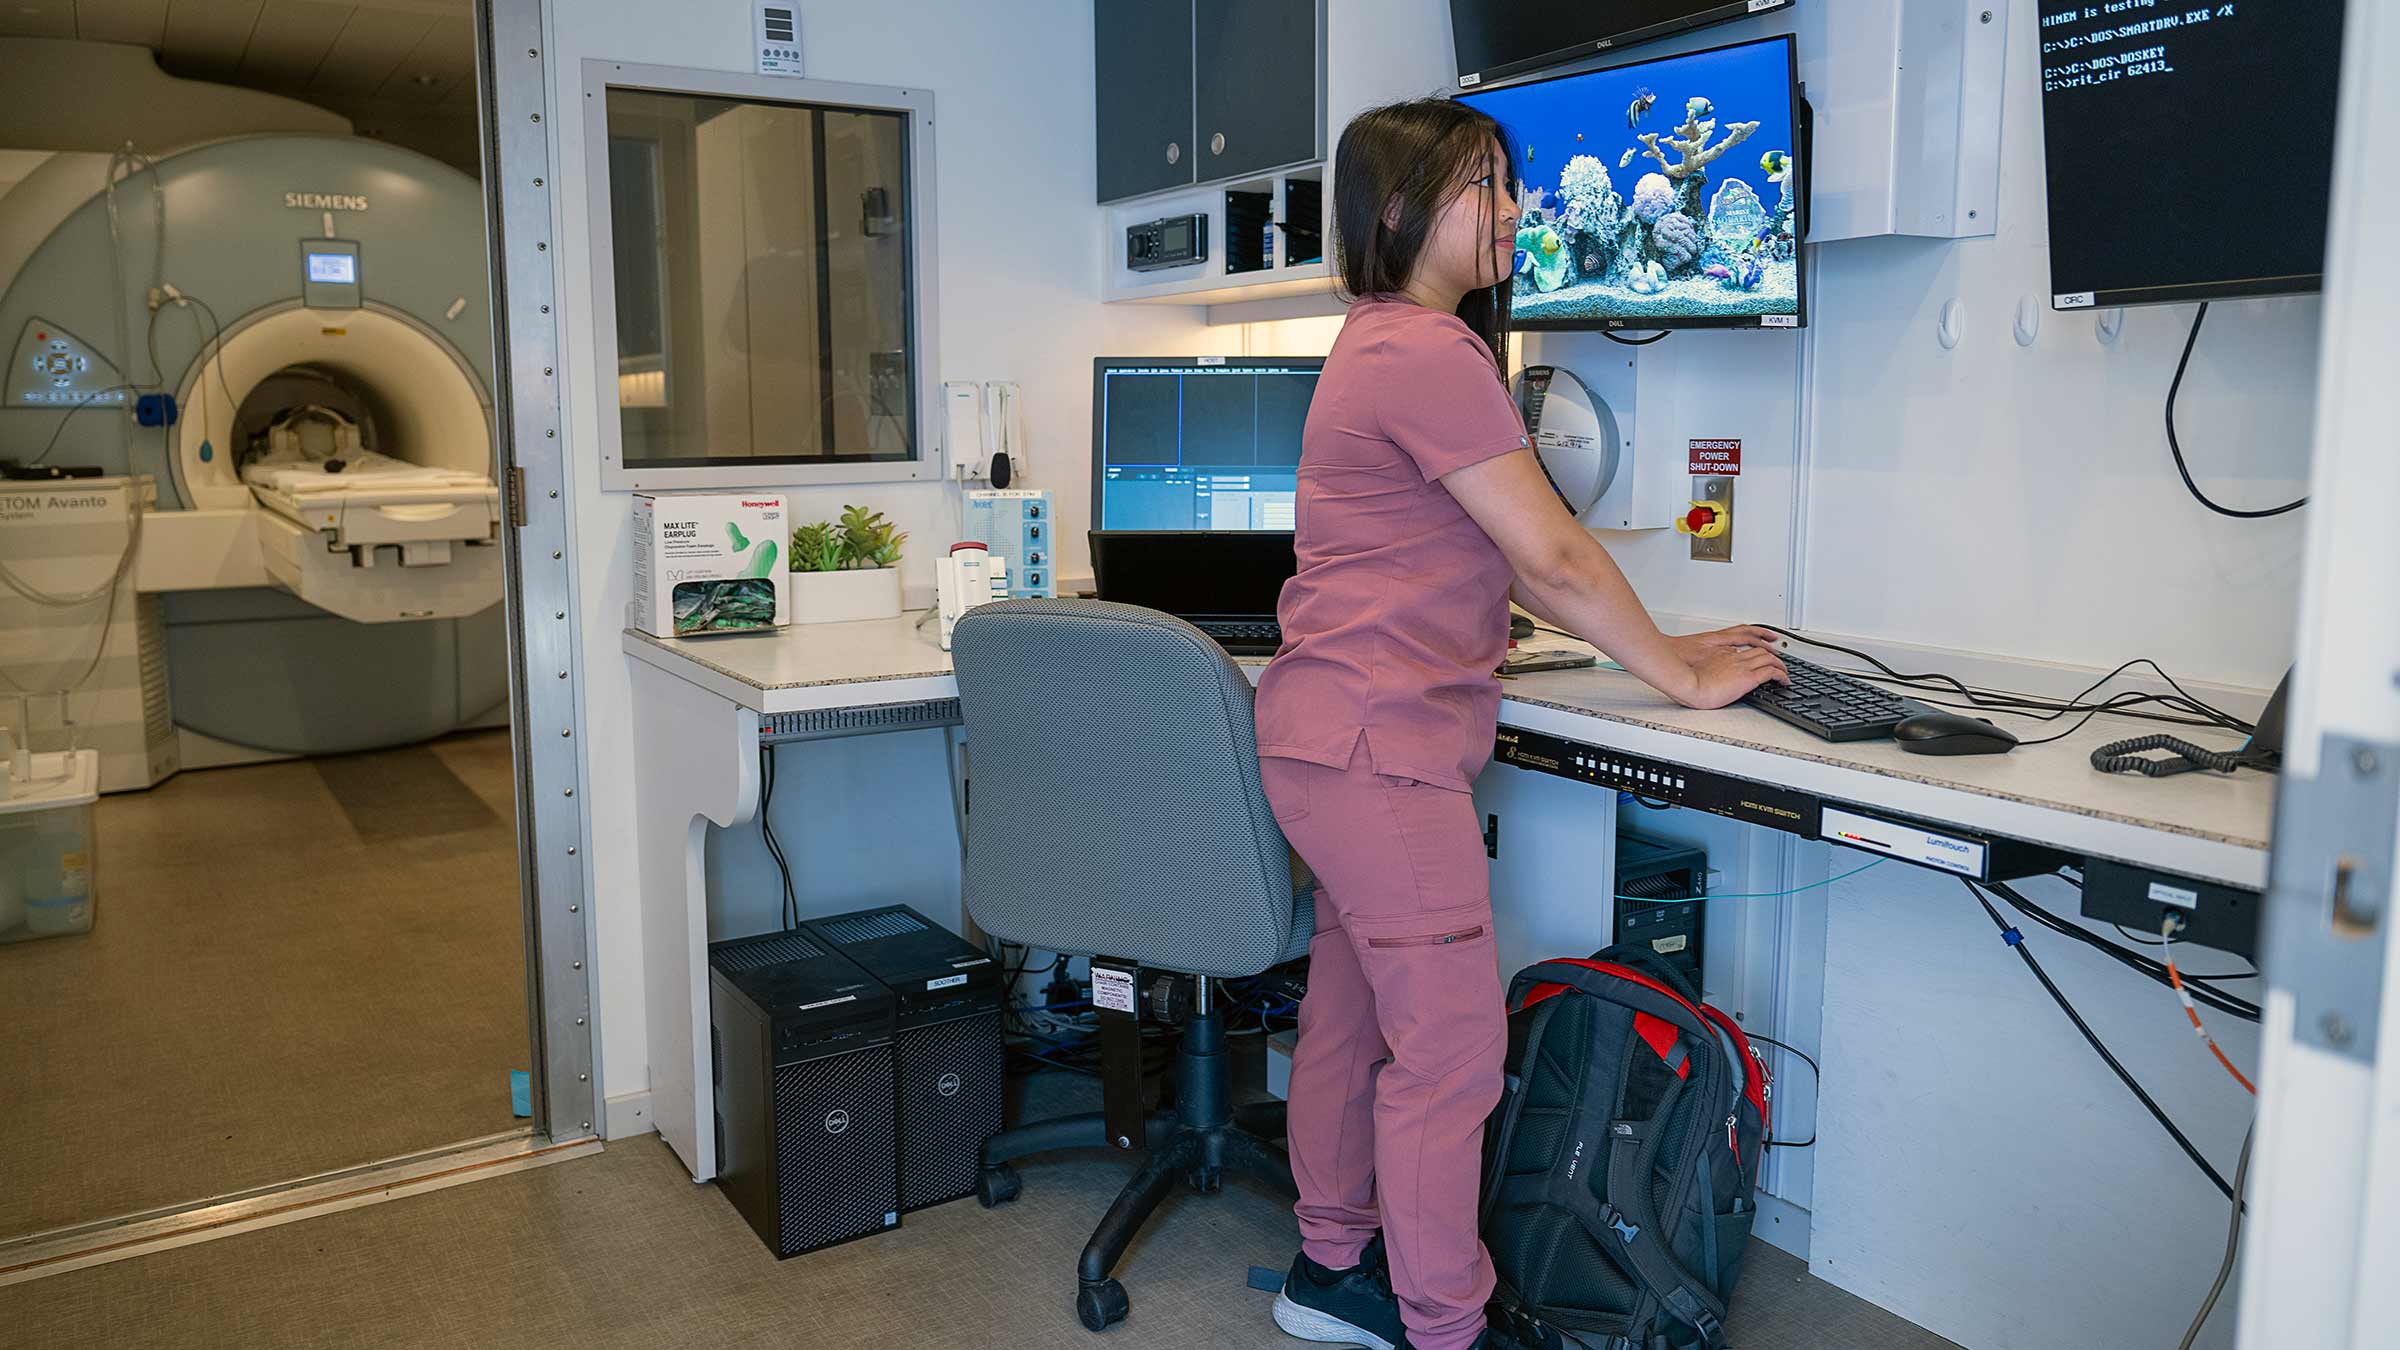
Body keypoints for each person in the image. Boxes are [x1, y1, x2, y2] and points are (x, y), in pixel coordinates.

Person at [1255, 97, 1788, 1350]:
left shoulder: (1377, 343)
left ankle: (1333, 1264)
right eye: (1484, 188)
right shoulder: (1428, 355)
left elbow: (1493, 559)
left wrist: (1668, 645)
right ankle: (1448, 1324)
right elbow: (1548, 553)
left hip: (1326, 739)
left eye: (1512, 185)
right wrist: (1681, 674)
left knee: (1351, 1007)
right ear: (1398, 211)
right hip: (1380, 752)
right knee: (1449, 1048)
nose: (1513, 212)